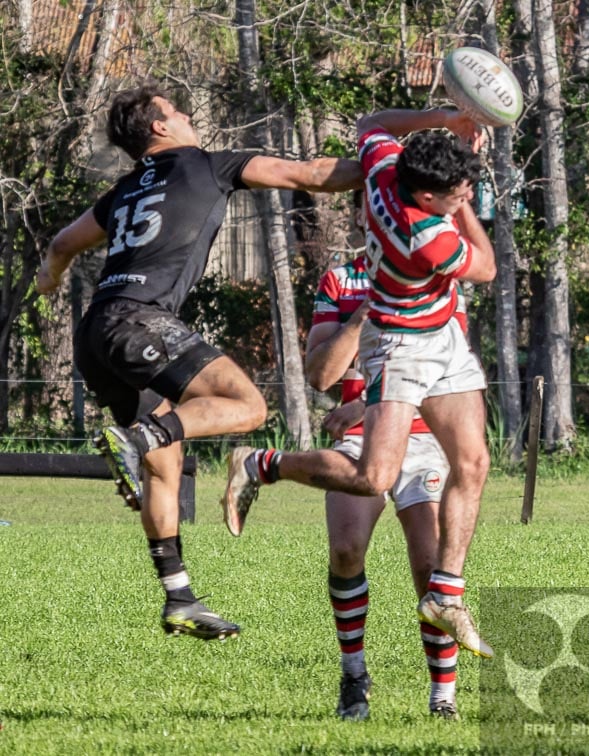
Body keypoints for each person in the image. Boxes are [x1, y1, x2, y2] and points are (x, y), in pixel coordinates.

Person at [35, 83, 361, 640]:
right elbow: (309, 174)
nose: (187, 115)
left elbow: (64, 244)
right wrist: (388, 169)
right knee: (247, 406)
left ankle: (180, 598)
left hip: (96, 330)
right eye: (177, 110)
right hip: (140, 321)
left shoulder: (122, 191)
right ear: (160, 127)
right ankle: (136, 440)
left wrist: (48, 279)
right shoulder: (208, 165)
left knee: (166, 463)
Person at [222, 106, 497, 660]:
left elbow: (372, 122)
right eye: (457, 192)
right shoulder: (426, 237)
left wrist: (445, 118)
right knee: (374, 477)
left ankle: (446, 593)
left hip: (442, 335)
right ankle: (261, 464)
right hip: (401, 344)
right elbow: (486, 266)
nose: (466, 195)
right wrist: (465, 206)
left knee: (473, 463)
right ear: (427, 198)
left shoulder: (386, 168)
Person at [308, 190, 465, 720]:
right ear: (362, 214)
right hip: (362, 439)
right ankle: (354, 676)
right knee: (346, 549)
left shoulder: (440, 273)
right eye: (377, 207)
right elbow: (321, 376)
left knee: (430, 565)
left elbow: (448, 371)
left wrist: (363, 404)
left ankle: (442, 696)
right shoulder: (340, 281)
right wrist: (365, 313)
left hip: (422, 435)